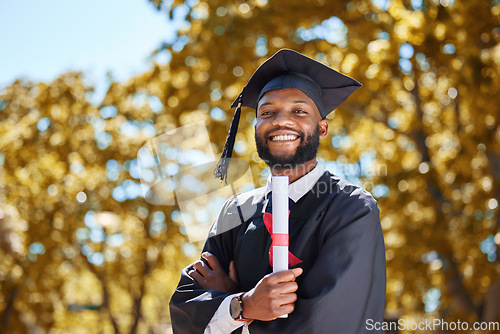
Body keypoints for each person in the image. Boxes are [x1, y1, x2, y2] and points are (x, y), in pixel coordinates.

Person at [169, 49, 386, 334]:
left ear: (322, 128)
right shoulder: (236, 212)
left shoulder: (351, 209)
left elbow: (326, 325)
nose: (281, 120)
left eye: (299, 111)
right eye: (267, 112)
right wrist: (243, 304)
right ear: (256, 127)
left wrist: (236, 311)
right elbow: (186, 314)